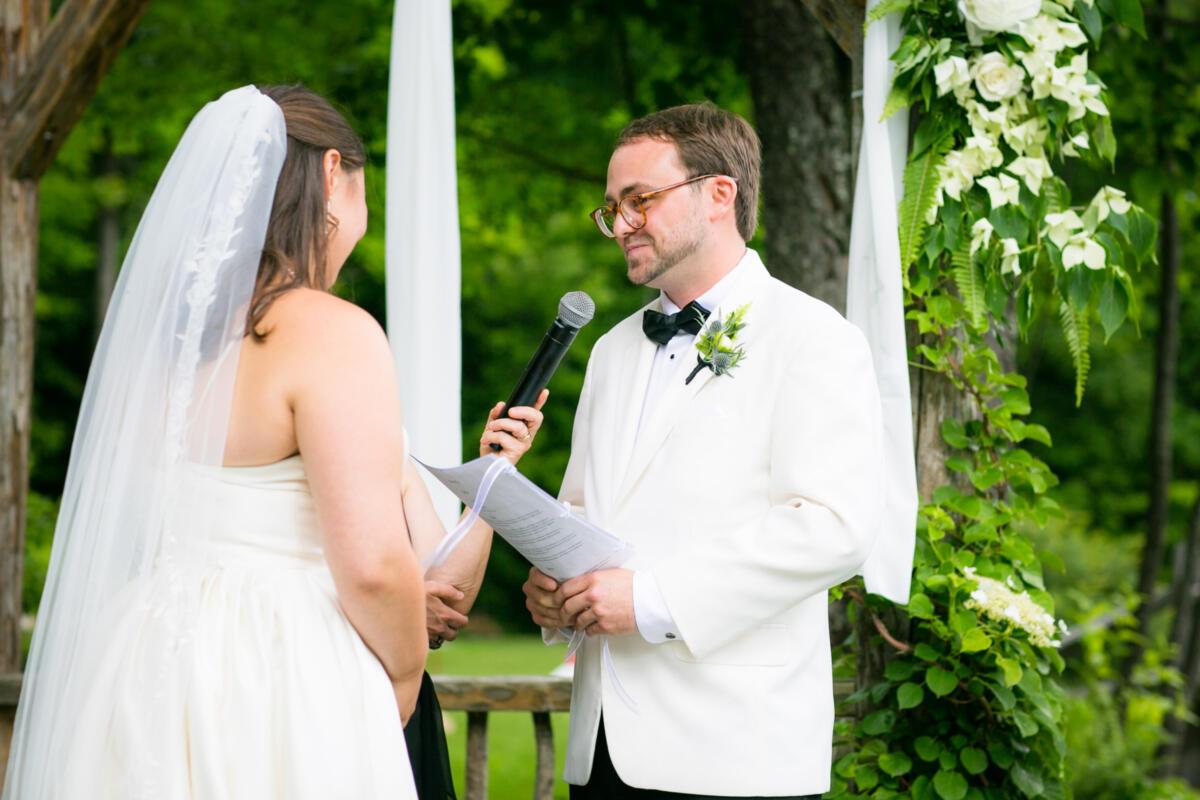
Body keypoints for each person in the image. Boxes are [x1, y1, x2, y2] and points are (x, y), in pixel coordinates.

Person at [3, 84, 542, 800]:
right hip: (279, 665)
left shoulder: (162, 348)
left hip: (146, 657)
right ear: (330, 177)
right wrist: (405, 675)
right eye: (362, 188)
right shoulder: (329, 331)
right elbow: (377, 569)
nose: (362, 215)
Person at [522, 102, 885, 798]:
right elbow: (583, 514)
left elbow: (833, 527)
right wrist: (556, 591)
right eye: (612, 207)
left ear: (719, 194)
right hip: (601, 750)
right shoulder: (609, 351)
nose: (621, 223)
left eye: (640, 200)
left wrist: (651, 599)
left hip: (734, 751)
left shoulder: (814, 336)